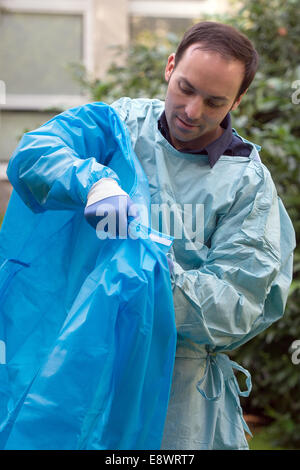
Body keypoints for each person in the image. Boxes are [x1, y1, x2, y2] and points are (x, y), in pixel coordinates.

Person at [3, 21, 296, 450]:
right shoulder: (116, 128)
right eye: (185, 88)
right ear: (170, 66)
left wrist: (155, 276)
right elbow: (34, 155)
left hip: (177, 399)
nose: (192, 111)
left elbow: (241, 304)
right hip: (82, 368)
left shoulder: (247, 185)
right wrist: (92, 181)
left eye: (214, 102)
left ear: (238, 99)